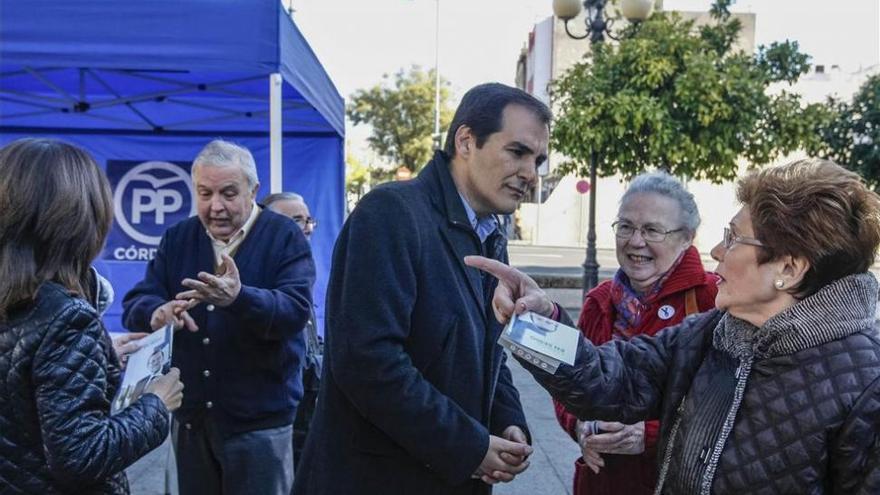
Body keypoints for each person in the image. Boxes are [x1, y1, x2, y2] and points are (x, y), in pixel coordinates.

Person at [468, 158, 880, 494]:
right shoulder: (712, 333)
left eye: (734, 239)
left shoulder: (866, 381)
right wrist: (535, 322)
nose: (717, 250)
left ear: (788, 269)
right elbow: (608, 377)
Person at [293, 83, 550, 495]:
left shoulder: (487, 232)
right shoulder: (391, 212)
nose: (531, 174)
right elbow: (367, 361)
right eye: (517, 152)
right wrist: (468, 445)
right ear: (466, 141)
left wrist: (508, 420)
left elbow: (489, 351)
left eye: (537, 159)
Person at [122, 139, 315, 495]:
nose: (216, 206)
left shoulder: (284, 236)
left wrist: (240, 298)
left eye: (228, 193)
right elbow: (138, 300)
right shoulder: (180, 236)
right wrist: (157, 313)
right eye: (205, 193)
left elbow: (294, 310)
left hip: (260, 425)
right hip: (192, 420)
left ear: (254, 190)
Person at [0, 138, 184, 494]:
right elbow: (82, 456)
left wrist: (97, 362)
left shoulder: (27, 303)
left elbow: (20, 387)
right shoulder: (67, 317)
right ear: (82, 218)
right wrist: (156, 405)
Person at [554, 172, 718, 495]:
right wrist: (580, 427)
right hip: (601, 482)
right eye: (626, 226)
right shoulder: (599, 301)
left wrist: (649, 434)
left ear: (687, 237)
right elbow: (567, 386)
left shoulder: (711, 298)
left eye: (652, 230)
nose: (635, 241)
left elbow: (726, 407)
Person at [263, 191, 322, 472]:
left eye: (309, 220)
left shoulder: (300, 271)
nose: (308, 228)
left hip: (307, 412)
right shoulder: (259, 278)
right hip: (277, 418)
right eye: (297, 220)